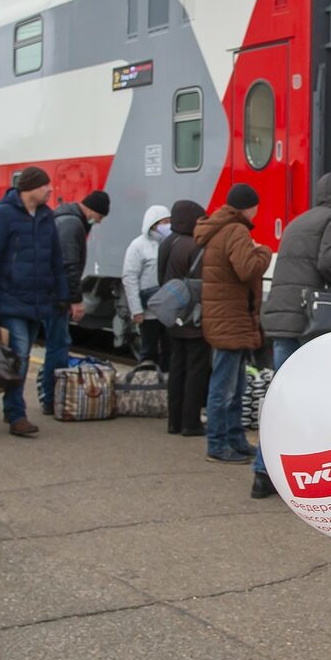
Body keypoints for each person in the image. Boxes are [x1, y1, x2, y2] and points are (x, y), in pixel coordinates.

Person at [255, 170, 331, 497]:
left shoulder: (298, 221)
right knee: (317, 400)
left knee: (282, 398)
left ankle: (263, 473)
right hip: (310, 321)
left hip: (283, 316)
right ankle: (315, 475)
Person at [0, 166, 72, 436]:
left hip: (39, 300)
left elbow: (56, 260)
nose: (50, 190)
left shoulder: (45, 216)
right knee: (18, 356)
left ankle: (11, 408)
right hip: (11, 298)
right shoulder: (2, 216)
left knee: (23, 354)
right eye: (46, 186)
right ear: (30, 188)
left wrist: (63, 295)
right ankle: (17, 414)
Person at [194, 184, 271, 464]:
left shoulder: (219, 228)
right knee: (225, 387)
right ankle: (218, 444)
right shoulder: (236, 230)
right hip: (230, 319)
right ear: (249, 207)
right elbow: (247, 268)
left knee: (234, 385)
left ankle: (235, 440)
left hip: (225, 317)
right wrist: (263, 252)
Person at [45, 188, 109, 415]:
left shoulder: (65, 218)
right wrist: (76, 299)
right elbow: (69, 265)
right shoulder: (73, 224)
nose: (98, 221)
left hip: (53, 292)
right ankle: (52, 399)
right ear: (92, 209)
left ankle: (51, 396)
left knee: (57, 343)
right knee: (58, 345)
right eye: (99, 216)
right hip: (58, 296)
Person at [156, 199, 210, 437]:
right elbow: (201, 286)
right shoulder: (195, 246)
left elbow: (161, 277)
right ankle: (191, 423)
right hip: (193, 317)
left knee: (176, 367)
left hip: (172, 313)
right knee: (196, 369)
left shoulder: (167, 242)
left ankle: (173, 421)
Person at [121, 202, 170, 368]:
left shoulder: (169, 243)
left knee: (169, 352)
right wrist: (136, 310)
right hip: (148, 312)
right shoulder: (138, 246)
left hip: (168, 310)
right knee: (149, 351)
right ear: (153, 224)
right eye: (164, 222)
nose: (168, 225)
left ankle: (165, 388)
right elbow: (130, 278)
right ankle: (147, 387)